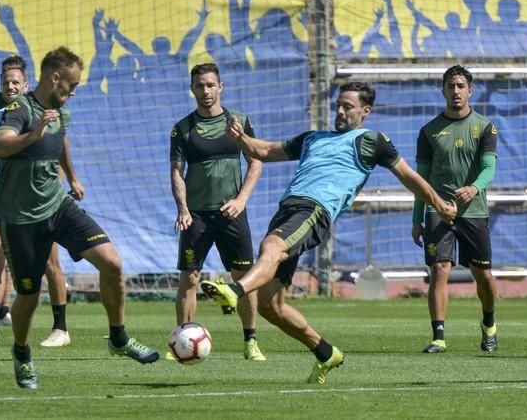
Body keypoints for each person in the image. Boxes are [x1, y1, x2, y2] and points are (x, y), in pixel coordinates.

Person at [201, 81, 457, 385]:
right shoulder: (314, 138)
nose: (339, 111)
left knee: (272, 245)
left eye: (347, 106)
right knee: (271, 305)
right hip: (288, 210)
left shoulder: (371, 140)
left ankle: (236, 291)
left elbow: (410, 177)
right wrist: (241, 138)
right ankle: (325, 352)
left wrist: (439, 205)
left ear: (365, 111)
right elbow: (266, 151)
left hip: (315, 211)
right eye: (337, 104)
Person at [0, 46, 159, 389]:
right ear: (55, 78)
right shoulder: (18, 109)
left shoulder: (60, 113)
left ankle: (119, 337)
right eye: (72, 84)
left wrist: (72, 176)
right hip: (20, 218)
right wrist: (35, 132)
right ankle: (21, 354)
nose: (74, 90)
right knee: (28, 296)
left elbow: (61, 141)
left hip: (57, 205)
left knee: (111, 263)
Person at [0, 55, 73, 347]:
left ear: (26, 84)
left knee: (50, 261)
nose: (10, 86)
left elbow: (59, 149)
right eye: (6, 81)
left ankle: (61, 327)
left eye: (16, 81)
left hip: (41, 197)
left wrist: (66, 180)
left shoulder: (46, 111)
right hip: (3, 194)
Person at [169, 63, 265, 362]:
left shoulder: (238, 122)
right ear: (192, 89)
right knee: (189, 277)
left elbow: (256, 162)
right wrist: (183, 209)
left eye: (210, 85)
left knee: (243, 276)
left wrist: (242, 199)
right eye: (200, 86)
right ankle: (182, 337)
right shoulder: (182, 128)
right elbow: (175, 172)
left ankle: (250, 341)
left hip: (231, 212)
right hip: (196, 214)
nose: (206, 91)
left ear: (220, 86)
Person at [411, 65, 499, 354]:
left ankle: (489, 325)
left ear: (470, 90)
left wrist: (474, 188)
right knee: (439, 270)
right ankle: (438, 336)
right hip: (438, 210)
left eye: (461, 86)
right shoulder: (428, 131)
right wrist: (417, 218)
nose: (456, 91)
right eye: (451, 86)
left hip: (473, 212)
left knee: (483, 276)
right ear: (443, 90)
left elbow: (489, 169)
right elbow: (420, 181)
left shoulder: (485, 127)